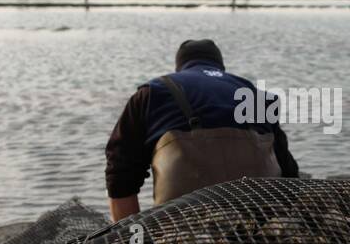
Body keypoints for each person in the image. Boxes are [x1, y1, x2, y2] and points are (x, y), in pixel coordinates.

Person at [105, 39, 298, 220]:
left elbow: (120, 171)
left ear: (180, 67)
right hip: (260, 217)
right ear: (220, 66)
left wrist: (132, 241)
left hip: (180, 223)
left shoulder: (152, 92)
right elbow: (289, 173)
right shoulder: (259, 96)